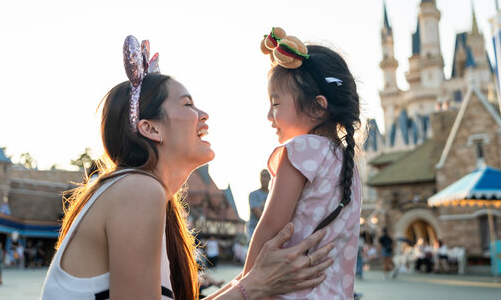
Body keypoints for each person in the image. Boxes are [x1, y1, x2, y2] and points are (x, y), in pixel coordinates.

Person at [41, 35, 335, 300]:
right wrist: (253, 286)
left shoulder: (142, 192)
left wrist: (253, 282)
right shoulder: (137, 189)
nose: (204, 115)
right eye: (188, 105)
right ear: (151, 129)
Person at [243, 27, 362, 299]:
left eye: (275, 104)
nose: (268, 116)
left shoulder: (300, 150)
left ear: (317, 107)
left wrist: (245, 286)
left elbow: (271, 228)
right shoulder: (347, 164)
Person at [247, 170, 270, 241]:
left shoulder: (272, 195)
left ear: (270, 178)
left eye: (265, 176)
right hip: (255, 230)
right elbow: (258, 213)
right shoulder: (253, 194)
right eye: (262, 176)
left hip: (268, 231)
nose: (263, 179)